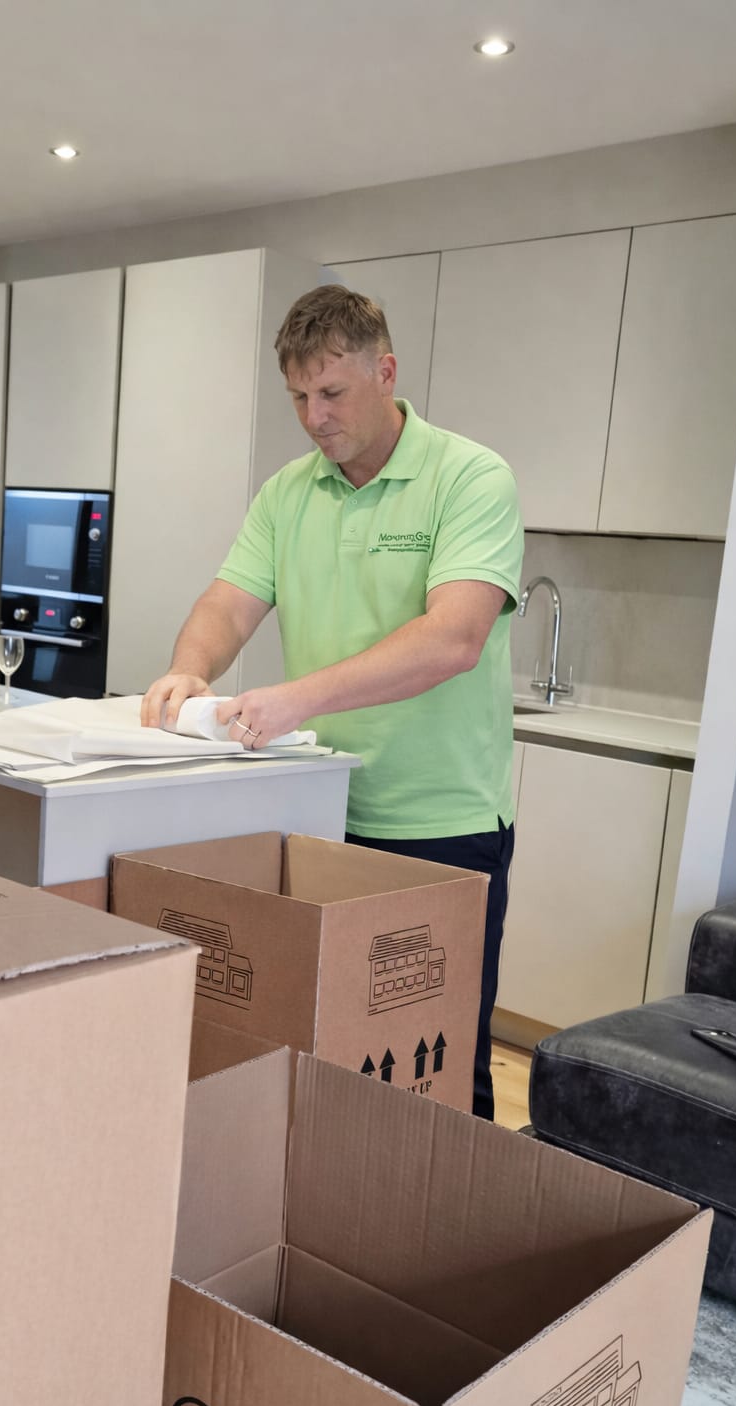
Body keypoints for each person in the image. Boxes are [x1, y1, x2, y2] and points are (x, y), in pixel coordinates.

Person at [141, 285, 524, 1118]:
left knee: (439, 1061)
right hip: (317, 813)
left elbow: (453, 638)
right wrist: (190, 669)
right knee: (322, 1049)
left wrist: (293, 701)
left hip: (439, 827)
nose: (314, 418)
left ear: (385, 373)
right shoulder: (289, 493)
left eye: (332, 392)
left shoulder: (470, 478)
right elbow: (227, 606)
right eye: (298, 397)